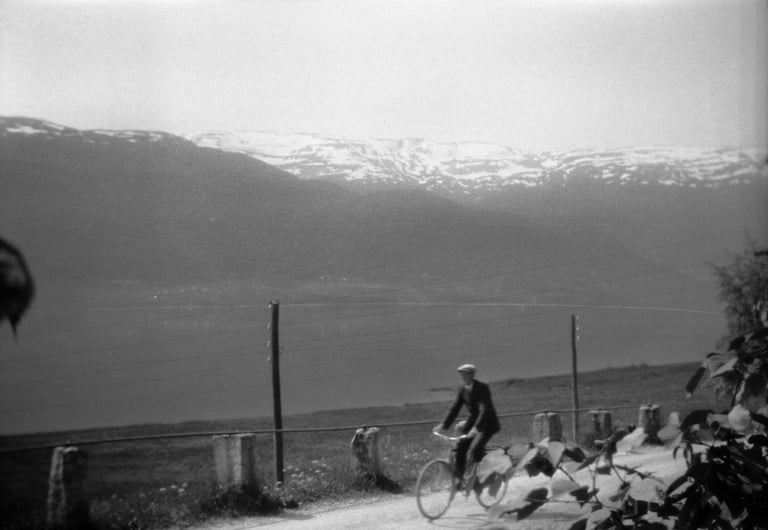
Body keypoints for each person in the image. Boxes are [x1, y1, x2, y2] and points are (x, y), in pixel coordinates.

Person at [434, 364, 501, 486]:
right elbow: (455, 407)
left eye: (465, 374)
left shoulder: (482, 388)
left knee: (475, 449)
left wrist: (476, 428)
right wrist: (443, 425)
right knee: (460, 447)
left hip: (487, 424)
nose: (463, 377)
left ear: (472, 374)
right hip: (473, 421)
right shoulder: (463, 389)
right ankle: (459, 482)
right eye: (462, 374)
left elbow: (484, 410)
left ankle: (481, 478)